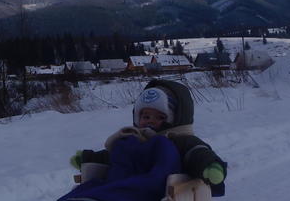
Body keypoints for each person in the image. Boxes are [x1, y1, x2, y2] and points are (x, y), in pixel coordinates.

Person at [72, 79, 227, 194]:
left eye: (159, 117)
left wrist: (209, 165)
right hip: (117, 192)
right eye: (146, 116)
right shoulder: (135, 140)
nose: (150, 121)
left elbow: (196, 152)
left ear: (174, 119)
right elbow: (113, 158)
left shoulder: (178, 141)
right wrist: (89, 158)